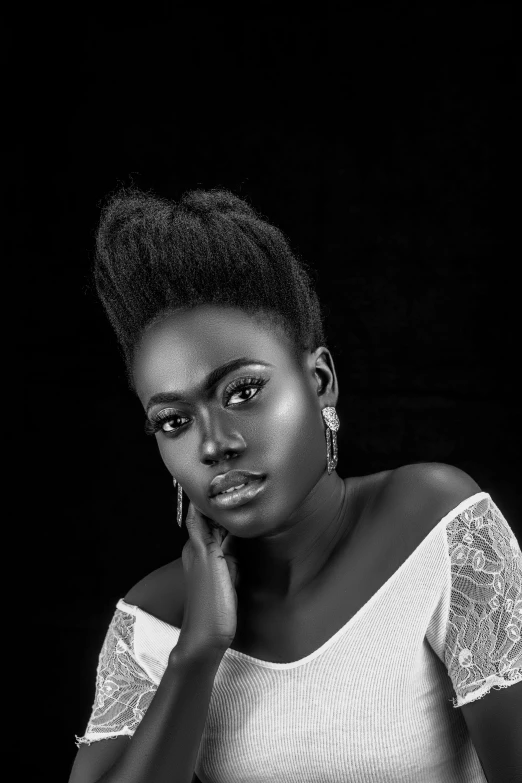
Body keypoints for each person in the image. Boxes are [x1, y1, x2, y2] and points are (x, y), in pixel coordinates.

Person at [69, 187, 521, 783]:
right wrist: (198, 652)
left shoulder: (438, 528)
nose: (213, 444)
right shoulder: (154, 617)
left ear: (321, 382)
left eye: (243, 392)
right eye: (174, 422)